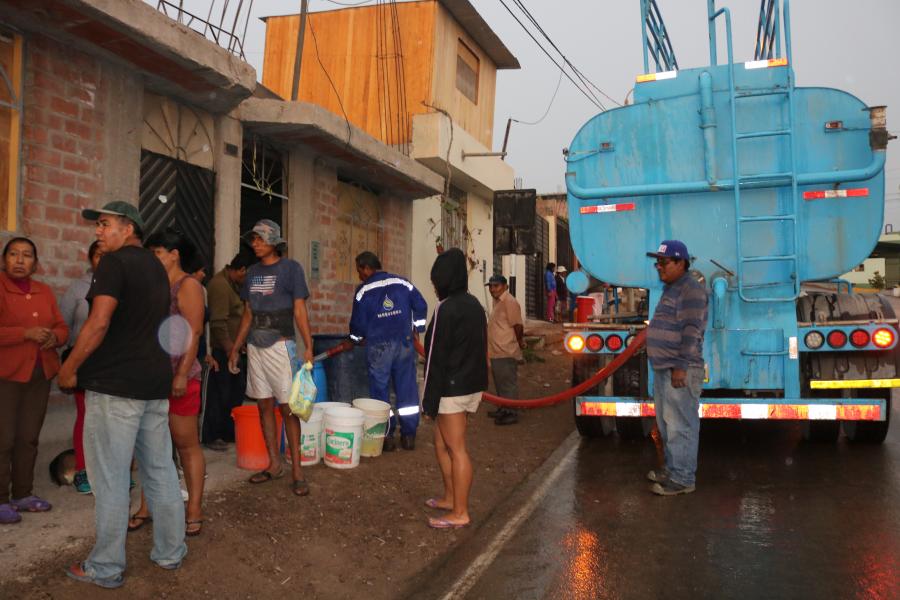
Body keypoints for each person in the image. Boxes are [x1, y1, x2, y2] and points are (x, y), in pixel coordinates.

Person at [59, 201, 185, 588]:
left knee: (111, 479)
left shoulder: (113, 264)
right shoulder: (154, 268)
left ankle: (105, 567)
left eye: (104, 224)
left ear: (128, 228)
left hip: (115, 388)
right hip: (152, 384)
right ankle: (170, 553)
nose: (98, 232)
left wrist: (69, 367)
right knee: (160, 471)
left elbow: (98, 324)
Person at [127, 229, 206, 537]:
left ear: (174, 254)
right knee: (151, 446)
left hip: (180, 378)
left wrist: (182, 374)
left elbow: (194, 332)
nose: (152, 258)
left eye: (157, 252)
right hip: (153, 377)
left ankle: (194, 508)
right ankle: (147, 507)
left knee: (186, 444)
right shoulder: (154, 285)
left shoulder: (189, 285)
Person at [227, 219, 314, 497]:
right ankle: (274, 464)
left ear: (275, 241)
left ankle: (297, 471)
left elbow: (299, 311)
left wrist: (308, 346)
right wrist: (235, 347)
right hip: (255, 346)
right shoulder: (251, 273)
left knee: (288, 408)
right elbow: (248, 313)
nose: (255, 243)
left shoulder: (291, 269)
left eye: (260, 239)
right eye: (253, 239)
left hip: (281, 345)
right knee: (264, 406)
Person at [0, 237, 69, 525]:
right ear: (4, 260)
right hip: (7, 374)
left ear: (35, 263)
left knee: (28, 436)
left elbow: (62, 327)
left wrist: (56, 338)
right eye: (13, 254)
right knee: (3, 438)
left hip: (40, 373)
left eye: (26, 255)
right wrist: (25, 334)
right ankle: (1, 498)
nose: (19, 260)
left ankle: (23, 494)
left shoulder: (44, 291)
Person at [421, 248, 487, 529]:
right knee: (441, 443)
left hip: (451, 388)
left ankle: (460, 512)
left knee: (456, 449)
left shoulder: (445, 308)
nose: (435, 288)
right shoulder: (475, 305)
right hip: (471, 385)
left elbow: (435, 357)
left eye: (436, 282)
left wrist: (429, 401)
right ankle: (450, 498)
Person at [645, 240, 708, 496]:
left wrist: (681, 367)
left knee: (681, 424)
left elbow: (692, 332)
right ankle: (672, 469)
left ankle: (683, 478)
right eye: (657, 262)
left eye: (664, 262)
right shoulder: (672, 288)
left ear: (681, 263)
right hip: (665, 368)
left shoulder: (690, 290)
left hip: (678, 369)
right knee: (667, 423)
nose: (659, 267)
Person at [349, 251, 427, 451]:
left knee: (380, 392)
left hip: (378, 348)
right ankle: (409, 436)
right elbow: (421, 305)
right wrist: (417, 328)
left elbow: (357, 324)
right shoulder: (403, 283)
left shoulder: (363, 291)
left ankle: (387, 436)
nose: (359, 275)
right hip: (404, 344)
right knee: (407, 389)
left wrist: (356, 339)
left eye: (359, 270)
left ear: (367, 268)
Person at [59, 240, 103, 495]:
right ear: (90, 259)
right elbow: (63, 325)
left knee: (111, 420)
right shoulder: (78, 288)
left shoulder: (122, 287)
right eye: (98, 255)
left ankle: (110, 472)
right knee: (86, 417)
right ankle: (83, 470)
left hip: (112, 365)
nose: (103, 260)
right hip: (83, 362)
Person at [202, 252, 253, 450]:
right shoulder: (220, 286)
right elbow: (218, 323)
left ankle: (228, 432)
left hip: (235, 350)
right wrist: (230, 350)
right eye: (246, 275)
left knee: (234, 394)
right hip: (224, 351)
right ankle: (212, 435)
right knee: (219, 394)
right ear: (241, 270)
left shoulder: (234, 285)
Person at [484, 275, 525, 426]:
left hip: (506, 351)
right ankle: (503, 408)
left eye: (496, 286)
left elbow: (518, 325)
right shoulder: (497, 302)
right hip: (496, 351)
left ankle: (511, 413)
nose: (492, 289)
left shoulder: (510, 302)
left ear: (505, 286)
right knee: (500, 383)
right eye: (491, 286)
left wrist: (520, 341)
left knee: (507, 383)